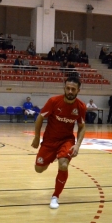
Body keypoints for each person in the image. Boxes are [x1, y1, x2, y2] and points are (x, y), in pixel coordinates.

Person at [31, 76, 86, 209]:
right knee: (38, 169)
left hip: (66, 141)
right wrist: (37, 137)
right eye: (68, 88)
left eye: (73, 89)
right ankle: (54, 156)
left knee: (63, 165)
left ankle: (55, 196)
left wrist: (77, 145)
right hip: (49, 141)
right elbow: (40, 118)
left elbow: (82, 126)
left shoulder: (81, 106)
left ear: (78, 90)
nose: (70, 91)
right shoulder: (53, 101)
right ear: (64, 88)